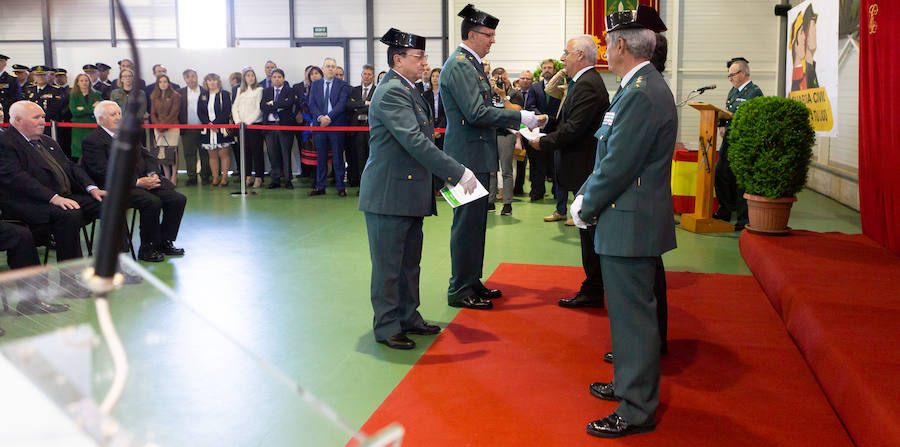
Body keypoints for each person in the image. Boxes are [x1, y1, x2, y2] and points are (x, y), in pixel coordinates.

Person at [570, 6, 673, 437]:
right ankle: (627, 385)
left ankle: (636, 409)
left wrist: (584, 204)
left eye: (608, 42)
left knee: (633, 319)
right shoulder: (639, 87)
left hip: (629, 221)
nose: (605, 50)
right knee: (627, 316)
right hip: (627, 218)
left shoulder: (641, 93)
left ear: (621, 46)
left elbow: (618, 165)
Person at [360, 28, 477, 350]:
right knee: (388, 267)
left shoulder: (408, 89)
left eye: (424, 57)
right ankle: (386, 326)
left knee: (409, 263)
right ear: (398, 59)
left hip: (407, 193)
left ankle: (408, 316)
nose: (425, 62)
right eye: (419, 57)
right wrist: (458, 172)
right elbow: (414, 141)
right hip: (388, 195)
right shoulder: (392, 91)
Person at [441, 4, 544, 310]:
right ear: (471, 35)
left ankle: (471, 281)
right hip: (463, 161)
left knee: (475, 225)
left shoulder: (470, 64)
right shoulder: (460, 65)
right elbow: (476, 113)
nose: (492, 40)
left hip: (474, 156)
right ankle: (459, 288)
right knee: (465, 226)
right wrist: (521, 118)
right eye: (488, 35)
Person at [528, 34, 611, 311]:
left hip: (583, 167)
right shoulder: (582, 82)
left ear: (581, 56)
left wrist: (543, 141)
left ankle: (595, 288)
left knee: (589, 232)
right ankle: (594, 285)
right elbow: (569, 120)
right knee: (587, 232)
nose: (562, 58)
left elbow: (575, 129)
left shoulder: (588, 84)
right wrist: (547, 121)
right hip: (579, 167)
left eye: (566, 53)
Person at [0, 101, 106, 262]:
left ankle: (114, 263)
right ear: (18, 120)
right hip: (31, 202)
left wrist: (92, 188)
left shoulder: (47, 140)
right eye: (36, 117)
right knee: (70, 215)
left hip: (62, 196)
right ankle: (71, 273)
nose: (42, 120)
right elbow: (17, 178)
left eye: (43, 116)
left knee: (108, 204)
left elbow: (70, 166)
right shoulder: (5, 142)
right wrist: (54, 198)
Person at [81, 101, 186, 262]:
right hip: (118, 187)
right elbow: (103, 172)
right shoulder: (92, 141)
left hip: (144, 180)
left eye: (119, 114)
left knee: (177, 199)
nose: (118, 118)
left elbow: (147, 155)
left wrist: (152, 173)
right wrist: (136, 182)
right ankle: (147, 248)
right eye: (112, 114)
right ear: (101, 120)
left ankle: (164, 241)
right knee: (151, 202)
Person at [714, 57, 763, 230]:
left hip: (743, 141)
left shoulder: (754, 92)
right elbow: (726, 112)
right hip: (729, 140)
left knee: (740, 180)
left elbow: (748, 116)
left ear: (743, 73)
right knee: (720, 172)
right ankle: (725, 210)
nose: (730, 78)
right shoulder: (733, 92)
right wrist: (721, 125)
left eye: (732, 75)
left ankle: (743, 220)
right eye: (728, 76)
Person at [308, 57, 349, 197]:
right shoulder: (315, 84)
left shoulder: (342, 85)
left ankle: (340, 187)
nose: (331, 68)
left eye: (333, 66)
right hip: (320, 126)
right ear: (323, 69)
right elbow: (312, 104)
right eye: (328, 66)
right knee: (321, 157)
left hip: (336, 125)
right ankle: (320, 186)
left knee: (338, 157)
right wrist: (321, 118)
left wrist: (329, 118)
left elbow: (342, 104)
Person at [487, 67, 523, 216]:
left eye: (503, 77)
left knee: (506, 170)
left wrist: (503, 96)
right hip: (490, 133)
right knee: (491, 170)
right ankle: (490, 201)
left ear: (507, 77)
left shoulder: (515, 93)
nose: (501, 80)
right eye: (497, 78)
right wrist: (490, 89)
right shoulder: (488, 92)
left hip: (506, 133)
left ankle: (507, 203)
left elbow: (516, 110)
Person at [526, 59, 562, 203]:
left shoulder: (560, 88)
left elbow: (561, 108)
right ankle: (537, 191)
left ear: (554, 70)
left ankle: (557, 192)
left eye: (550, 67)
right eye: (545, 67)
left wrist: (548, 118)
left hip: (555, 129)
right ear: (542, 70)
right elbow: (530, 105)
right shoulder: (535, 88)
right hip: (538, 129)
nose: (547, 70)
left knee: (555, 163)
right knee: (537, 163)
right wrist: (540, 117)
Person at [259, 68, 299, 189]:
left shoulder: (289, 91)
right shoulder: (266, 91)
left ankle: (288, 180)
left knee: (286, 154)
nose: (277, 79)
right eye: (274, 77)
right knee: (272, 154)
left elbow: (288, 104)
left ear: (283, 78)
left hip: (284, 126)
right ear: (271, 79)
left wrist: (272, 104)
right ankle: (275, 179)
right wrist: (278, 106)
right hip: (270, 127)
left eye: (279, 77)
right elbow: (262, 107)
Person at [232, 67, 265, 188]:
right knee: (245, 152)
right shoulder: (240, 90)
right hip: (241, 126)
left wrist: (248, 122)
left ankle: (259, 177)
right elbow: (235, 107)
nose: (250, 78)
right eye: (248, 75)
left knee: (257, 152)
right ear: (244, 78)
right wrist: (238, 121)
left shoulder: (259, 90)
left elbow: (259, 109)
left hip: (254, 125)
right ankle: (248, 175)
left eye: (252, 75)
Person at [198, 73, 234, 187]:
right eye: (209, 80)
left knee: (224, 154)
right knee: (212, 155)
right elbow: (200, 112)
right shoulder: (203, 95)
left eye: (214, 80)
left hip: (221, 129)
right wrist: (209, 124)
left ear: (218, 81)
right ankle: (215, 178)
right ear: (206, 82)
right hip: (208, 130)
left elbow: (226, 111)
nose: (212, 82)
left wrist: (216, 124)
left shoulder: (225, 94)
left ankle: (224, 178)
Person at [178, 69, 211, 185]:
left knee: (205, 154)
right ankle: (191, 177)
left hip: (204, 128)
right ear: (184, 79)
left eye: (193, 76)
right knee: (189, 154)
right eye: (187, 77)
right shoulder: (179, 92)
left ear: (197, 77)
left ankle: (205, 176)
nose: (191, 79)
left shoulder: (205, 91)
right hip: (187, 129)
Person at [345, 64, 376, 188]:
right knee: (357, 156)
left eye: (369, 74)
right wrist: (365, 103)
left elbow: (375, 107)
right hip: (355, 129)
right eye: (365, 74)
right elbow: (348, 106)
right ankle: (357, 181)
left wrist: (358, 106)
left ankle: (369, 183)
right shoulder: (354, 90)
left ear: (373, 76)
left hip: (370, 129)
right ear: (361, 75)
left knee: (370, 157)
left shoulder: (377, 90)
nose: (367, 76)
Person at [150, 74, 182, 186]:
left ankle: (174, 176)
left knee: (172, 152)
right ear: (157, 84)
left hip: (172, 126)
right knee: (162, 152)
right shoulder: (154, 96)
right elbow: (153, 113)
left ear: (169, 83)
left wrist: (164, 126)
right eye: (161, 82)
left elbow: (174, 113)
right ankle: (167, 177)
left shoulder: (175, 95)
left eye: (165, 81)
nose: (163, 84)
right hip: (158, 128)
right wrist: (158, 126)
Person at [66, 73, 103, 160]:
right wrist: (91, 108)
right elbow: (74, 112)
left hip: (92, 126)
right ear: (77, 83)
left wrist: (82, 109)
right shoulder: (74, 95)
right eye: (81, 81)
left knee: (94, 151)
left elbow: (100, 110)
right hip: (78, 128)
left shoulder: (97, 94)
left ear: (90, 82)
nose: (84, 83)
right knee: (79, 152)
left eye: (86, 80)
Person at [22, 66, 64, 133]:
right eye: (37, 75)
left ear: (48, 76)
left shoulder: (55, 90)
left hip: (47, 123)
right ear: (34, 76)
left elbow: (55, 108)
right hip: (32, 122)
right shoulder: (29, 89)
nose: (40, 77)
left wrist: (39, 117)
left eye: (43, 75)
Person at [0, 55, 21, 123]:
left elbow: (16, 97)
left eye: (0, 61)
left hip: (6, 113)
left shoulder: (12, 79)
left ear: (5, 63)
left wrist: (2, 107)